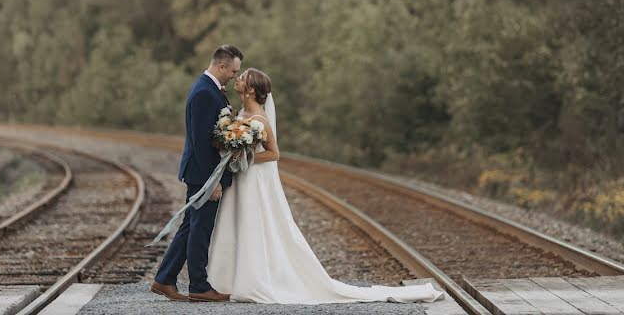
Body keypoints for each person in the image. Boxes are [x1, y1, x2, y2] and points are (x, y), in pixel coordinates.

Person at [206, 67, 444, 305]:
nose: (238, 79)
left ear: (250, 90)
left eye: (243, 78)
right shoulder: (239, 113)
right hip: (240, 180)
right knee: (234, 221)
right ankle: (227, 278)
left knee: (251, 224)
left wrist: (243, 159)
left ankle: (252, 280)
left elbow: (274, 154)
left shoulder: (259, 120)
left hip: (253, 182)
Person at [151, 45, 243, 303]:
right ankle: (199, 286)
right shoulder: (204, 92)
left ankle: (164, 279)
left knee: (191, 225)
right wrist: (210, 182)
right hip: (203, 175)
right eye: (233, 71)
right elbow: (202, 142)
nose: (235, 76)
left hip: (202, 173)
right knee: (201, 229)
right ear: (221, 66)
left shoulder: (209, 89)